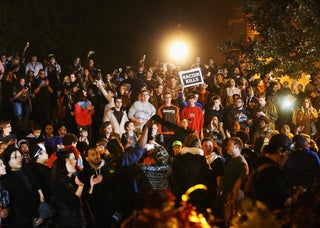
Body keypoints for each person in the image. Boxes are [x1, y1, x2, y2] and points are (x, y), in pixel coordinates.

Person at [245, 134, 298, 211]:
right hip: (271, 219)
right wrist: (298, 193)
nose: (287, 157)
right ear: (280, 151)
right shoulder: (272, 172)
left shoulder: (259, 166)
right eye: (287, 154)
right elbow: (285, 201)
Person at [3, 146, 45, 227]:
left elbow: (39, 191)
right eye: (15, 157)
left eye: (20, 156)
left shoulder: (28, 171)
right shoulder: (5, 179)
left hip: (36, 213)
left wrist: (41, 212)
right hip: (19, 219)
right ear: (7, 160)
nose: (19, 159)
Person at [50, 149, 90, 228]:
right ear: (62, 167)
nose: (73, 163)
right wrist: (80, 187)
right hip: (69, 222)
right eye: (70, 162)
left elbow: (82, 199)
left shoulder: (71, 180)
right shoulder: (59, 184)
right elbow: (73, 201)